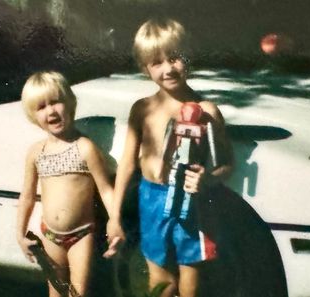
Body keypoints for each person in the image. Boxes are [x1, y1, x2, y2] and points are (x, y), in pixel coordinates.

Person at [107, 18, 233, 297]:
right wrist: (114, 216)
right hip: (152, 199)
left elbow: (226, 164)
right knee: (161, 281)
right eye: (156, 62)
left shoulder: (207, 110)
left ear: (187, 57)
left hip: (192, 205)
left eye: (174, 58)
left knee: (192, 282)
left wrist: (208, 178)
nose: (168, 68)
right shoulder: (142, 109)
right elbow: (127, 164)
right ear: (144, 68)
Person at [16, 71, 117, 297]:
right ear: (33, 115)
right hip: (50, 235)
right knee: (56, 292)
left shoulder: (85, 147)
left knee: (79, 293)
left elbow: (105, 190)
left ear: (69, 103)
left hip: (81, 236)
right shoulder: (35, 152)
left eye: (56, 102)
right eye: (41, 107)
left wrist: (115, 222)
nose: (50, 111)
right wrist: (20, 234)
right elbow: (27, 197)